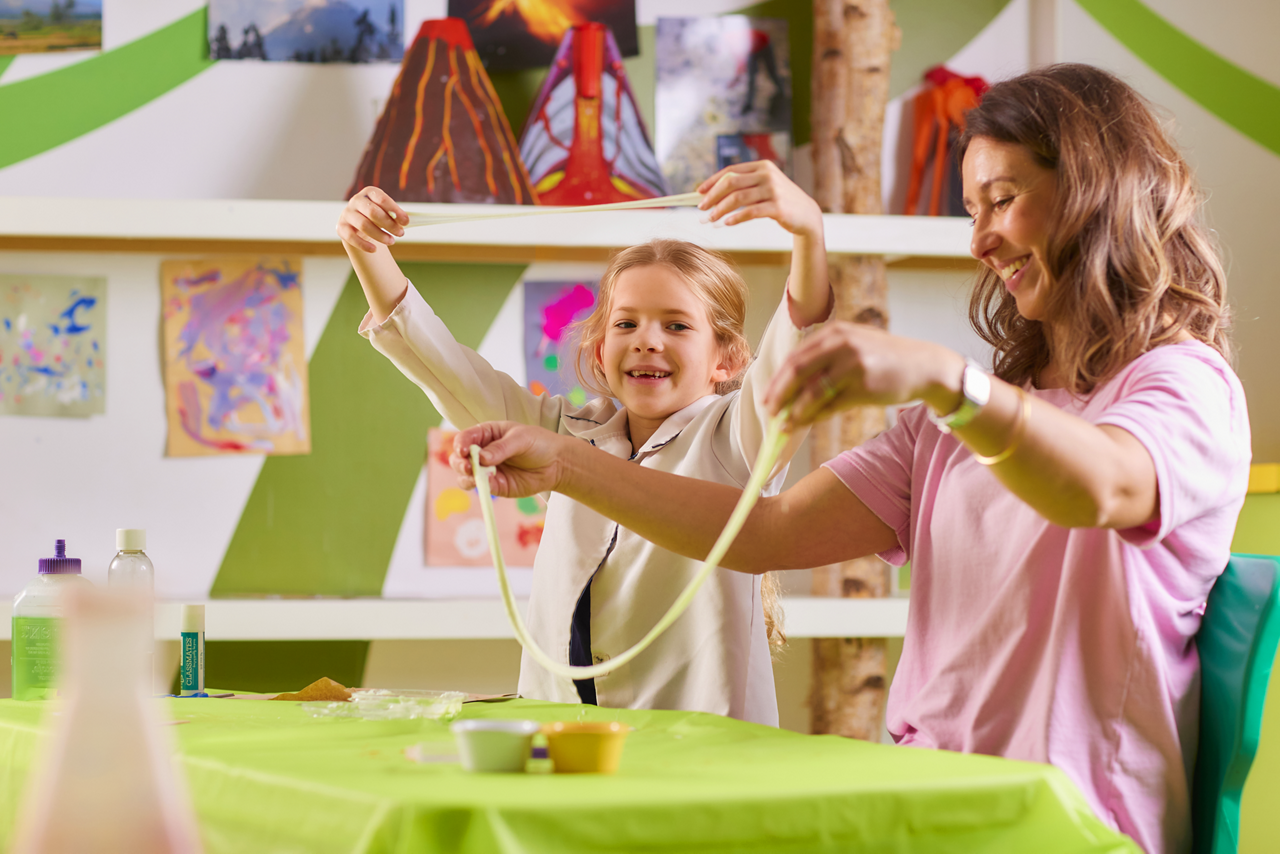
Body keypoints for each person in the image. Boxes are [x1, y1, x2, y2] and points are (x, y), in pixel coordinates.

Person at [448, 65, 1250, 854]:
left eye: (1002, 200)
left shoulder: (1183, 385)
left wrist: (948, 380)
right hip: (929, 814)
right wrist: (566, 465)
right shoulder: (945, 428)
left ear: (1096, 190)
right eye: (973, 211)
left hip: (1071, 830)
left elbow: (1101, 486)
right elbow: (761, 533)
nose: (980, 240)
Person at [337, 161, 833, 726]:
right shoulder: (566, 434)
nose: (647, 341)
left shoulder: (739, 439)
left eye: (676, 325)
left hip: (697, 744)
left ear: (729, 358)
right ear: (599, 351)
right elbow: (442, 365)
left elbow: (797, 352)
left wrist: (807, 231)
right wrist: (364, 247)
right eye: (626, 324)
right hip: (564, 730)